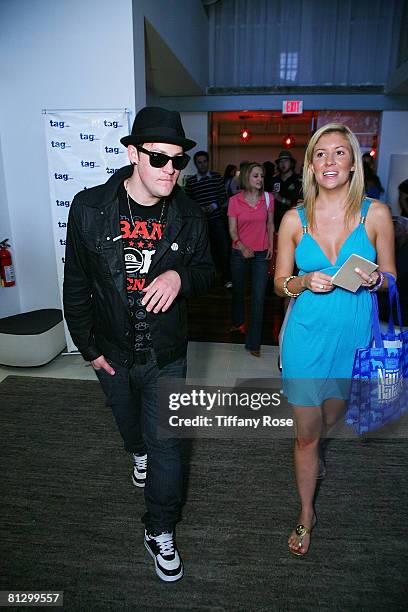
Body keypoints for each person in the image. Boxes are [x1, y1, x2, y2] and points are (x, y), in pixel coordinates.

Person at [63, 106, 214, 582]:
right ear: (132, 154)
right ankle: (137, 454)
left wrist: (178, 276)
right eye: (159, 158)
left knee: (167, 444)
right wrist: (89, 351)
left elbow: (210, 274)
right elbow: (77, 287)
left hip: (166, 355)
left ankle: (160, 528)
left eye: (178, 161)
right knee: (132, 430)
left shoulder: (190, 215)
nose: (171, 169)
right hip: (112, 350)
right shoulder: (89, 207)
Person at [274, 123, 396, 556]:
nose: (329, 161)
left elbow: (391, 278)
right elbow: (279, 284)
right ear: (310, 164)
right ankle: (307, 511)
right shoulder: (293, 218)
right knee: (305, 433)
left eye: (339, 153)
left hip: (353, 341)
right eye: (320, 154)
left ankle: (318, 446)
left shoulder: (375, 214)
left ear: (353, 162)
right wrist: (303, 281)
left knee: (332, 416)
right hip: (306, 338)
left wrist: (379, 278)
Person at [228, 162, 275, 356]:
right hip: (240, 252)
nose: (260, 179)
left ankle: (253, 343)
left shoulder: (268, 198)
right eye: (256, 176)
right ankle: (238, 322)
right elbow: (231, 230)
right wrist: (242, 246)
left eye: (262, 176)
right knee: (238, 291)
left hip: (262, 254)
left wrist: (272, 246)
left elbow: (270, 224)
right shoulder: (234, 201)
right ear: (247, 177)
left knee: (258, 298)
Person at [184, 151, 231, 287]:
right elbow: (188, 202)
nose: (203, 165)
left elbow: (224, 197)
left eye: (205, 161)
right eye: (200, 162)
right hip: (201, 223)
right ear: (196, 164)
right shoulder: (191, 182)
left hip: (216, 220)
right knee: (203, 253)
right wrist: (199, 208)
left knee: (223, 250)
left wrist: (214, 206)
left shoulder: (216, 177)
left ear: (208, 162)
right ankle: (207, 282)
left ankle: (227, 278)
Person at [272, 150, 302, 229]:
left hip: (294, 223)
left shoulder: (298, 181)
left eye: (286, 161)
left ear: (292, 163)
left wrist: (282, 199)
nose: (283, 164)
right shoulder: (274, 180)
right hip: (276, 223)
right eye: (280, 162)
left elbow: (302, 205)